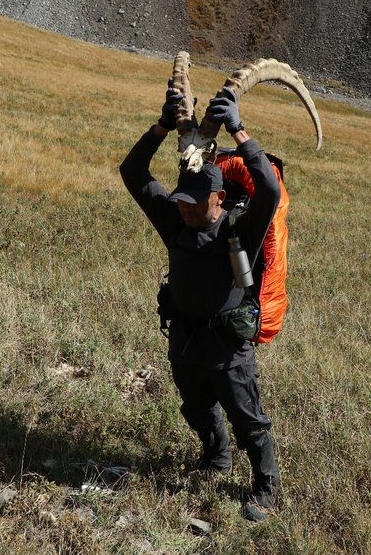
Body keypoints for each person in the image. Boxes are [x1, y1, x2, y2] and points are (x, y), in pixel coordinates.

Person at [119, 84, 281, 522]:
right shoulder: (174, 219)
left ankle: (265, 489)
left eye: (194, 204)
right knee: (195, 407)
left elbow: (269, 188)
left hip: (229, 348)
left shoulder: (239, 229)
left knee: (249, 421)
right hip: (185, 340)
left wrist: (240, 130)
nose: (185, 210)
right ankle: (216, 457)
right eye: (181, 201)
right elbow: (133, 172)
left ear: (219, 199)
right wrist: (161, 127)